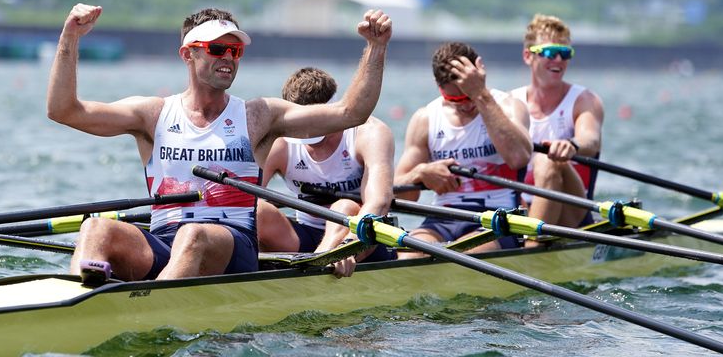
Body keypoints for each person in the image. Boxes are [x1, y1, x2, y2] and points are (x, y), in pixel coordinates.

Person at [46, 3, 392, 281]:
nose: (228, 57)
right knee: (95, 228)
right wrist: (70, 37)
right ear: (188, 54)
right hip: (165, 241)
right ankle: (72, 307)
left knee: (193, 235)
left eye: (235, 50)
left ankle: (150, 309)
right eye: (217, 49)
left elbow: (351, 112)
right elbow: (65, 111)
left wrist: (376, 47)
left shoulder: (259, 116)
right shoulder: (151, 114)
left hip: (232, 246)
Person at [394, 42, 532, 257]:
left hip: (499, 217)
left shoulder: (508, 106)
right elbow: (400, 194)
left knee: (462, 255)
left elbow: (519, 158)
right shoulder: (426, 118)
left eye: (468, 96)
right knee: (407, 257)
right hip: (442, 218)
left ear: (480, 72)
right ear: (438, 86)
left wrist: (481, 95)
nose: (466, 105)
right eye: (455, 99)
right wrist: (420, 173)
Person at [257, 67, 395, 278]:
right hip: (301, 238)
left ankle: (324, 259)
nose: (311, 139)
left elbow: (379, 203)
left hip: (360, 238)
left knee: (344, 207)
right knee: (257, 210)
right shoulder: (280, 143)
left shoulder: (370, 133)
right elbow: (244, 202)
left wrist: (348, 246)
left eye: (318, 131)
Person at [510, 14, 604, 241]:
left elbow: (590, 140)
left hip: (572, 209)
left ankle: (531, 250)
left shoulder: (584, 100)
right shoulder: (511, 102)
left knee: (548, 160)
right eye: (551, 52)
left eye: (565, 54)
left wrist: (571, 145)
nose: (559, 60)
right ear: (527, 56)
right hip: (520, 207)